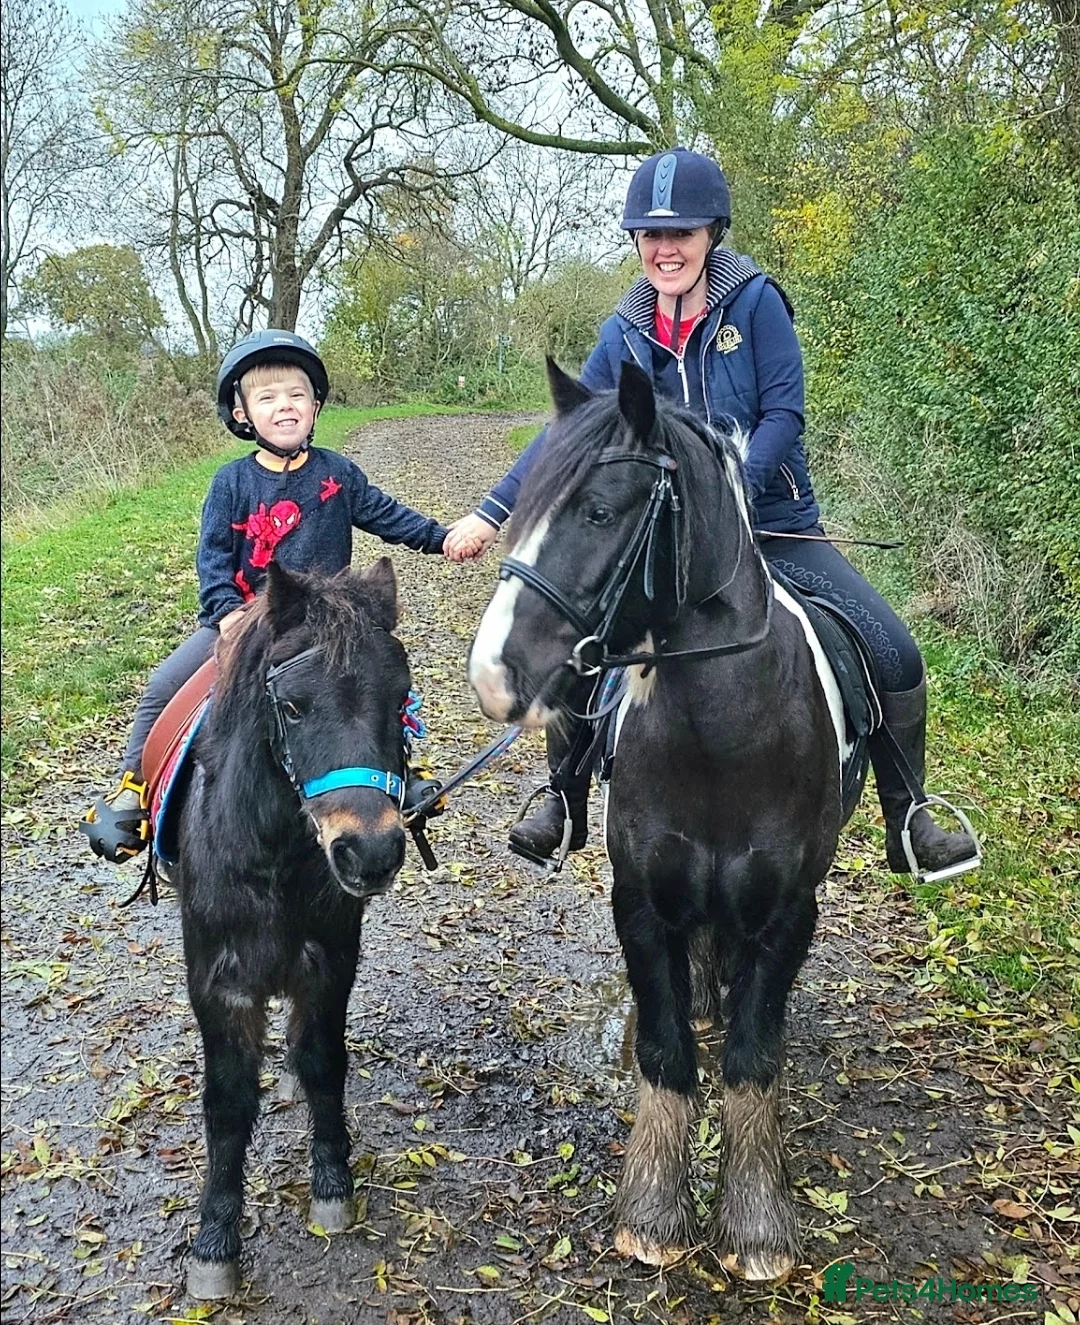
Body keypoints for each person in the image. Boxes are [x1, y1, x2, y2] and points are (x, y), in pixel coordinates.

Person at [445, 146, 979, 880]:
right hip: (663, 545)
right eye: (651, 236)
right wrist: (493, 509)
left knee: (892, 646)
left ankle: (909, 812)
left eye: (683, 234)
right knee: (580, 638)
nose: (666, 249)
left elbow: (783, 414)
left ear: (711, 234)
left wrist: (732, 497)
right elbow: (567, 436)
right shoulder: (624, 332)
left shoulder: (755, 302)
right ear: (637, 243)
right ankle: (564, 796)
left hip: (774, 526)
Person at [82, 328, 482, 864]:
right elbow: (214, 557)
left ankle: (402, 769)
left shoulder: (338, 475)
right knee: (165, 685)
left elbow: (389, 517)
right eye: (267, 398)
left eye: (296, 395)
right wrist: (224, 613)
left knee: (372, 683)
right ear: (244, 414)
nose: (284, 407)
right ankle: (135, 787)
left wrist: (442, 537)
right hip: (246, 618)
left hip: (325, 622)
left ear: (315, 406)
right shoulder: (231, 482)